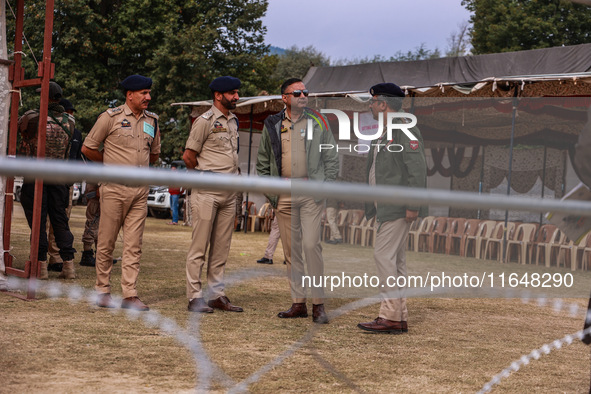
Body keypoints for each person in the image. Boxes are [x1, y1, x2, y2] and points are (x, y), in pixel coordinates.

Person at [256, 78, 339, 324]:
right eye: (298, 92)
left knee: (312, 246)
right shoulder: (271, 123)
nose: (304, 95)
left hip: (311, 193)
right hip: (284, 196)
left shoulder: (319, 121)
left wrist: (324, 188)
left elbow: (331, 158)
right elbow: (263, 162)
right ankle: (298, 303)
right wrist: (271, 193)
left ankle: (318, 304)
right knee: (292, 252)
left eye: (306, 92)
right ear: (285, 97)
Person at [81, 74, 160, 311]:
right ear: (130, 95)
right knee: (106, 241)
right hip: (114, 188)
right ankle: (102, 290)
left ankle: (129, 295)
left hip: (140, 191)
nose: (148, 97)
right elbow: (87, 147)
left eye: (148, 93)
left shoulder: (153, 120)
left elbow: (154, 153)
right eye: (144, 93)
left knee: (134, 244)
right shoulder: (110, 117)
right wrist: (110, 163)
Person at [356, 83, 427, 334]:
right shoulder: (388, 129)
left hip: (397, 206)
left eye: (372, 101)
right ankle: (398, 316)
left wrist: (413, 205)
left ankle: (389, 316)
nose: (370, 105)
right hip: (388, 206)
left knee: (383, 257)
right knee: (395, 262)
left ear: (383, 104)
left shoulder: (403, 128)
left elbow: (416, 169)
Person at [182, 76, 244, 314]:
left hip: (229, 192)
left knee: (221, 248)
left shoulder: (233, 121)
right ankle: (194, 297)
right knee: (199, 247)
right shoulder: (204, 121)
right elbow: (189, 156)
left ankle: (216, 295)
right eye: (232, 93)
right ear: (218, 95)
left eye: (237, 92)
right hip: (207, 191)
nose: (236, 97)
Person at [18, 81, 77, 280]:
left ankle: (40, 266)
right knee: (60, 220)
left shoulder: (32, 116)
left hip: (35, 174)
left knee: (38, 221)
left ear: (46, 97)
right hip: (59, 175)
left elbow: (21, 136)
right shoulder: (70, 120)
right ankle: (68, 265)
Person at [47, 98, 83, 272]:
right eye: (68, 112)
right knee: (47, 221)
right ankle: (43, 257)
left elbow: (76, 158)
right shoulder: (49, 126)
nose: (70, 115)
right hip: (47, 179)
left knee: (61, 220)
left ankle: (56, 258)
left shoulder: (76, 133)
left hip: (65, 183)